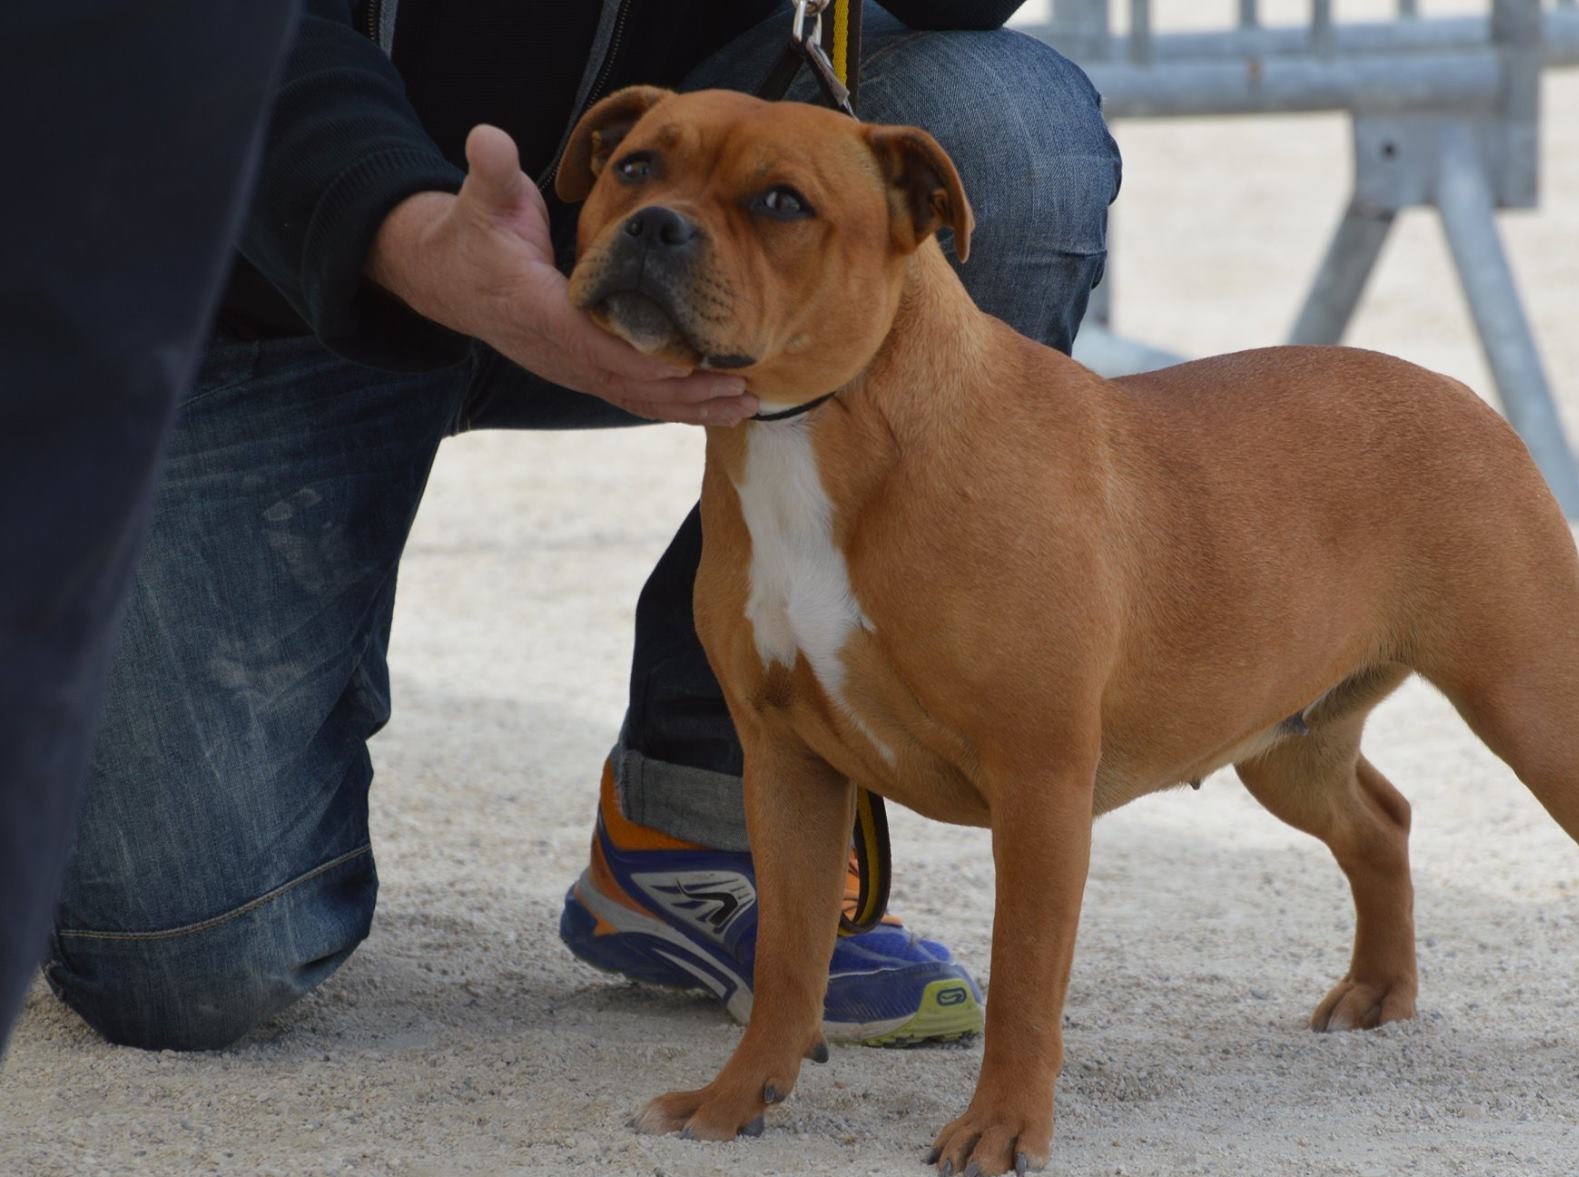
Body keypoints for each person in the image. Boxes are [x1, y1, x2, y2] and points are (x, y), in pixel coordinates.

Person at [41, 0, 1122, 1053]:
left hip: (647, 247)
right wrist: (398, 229)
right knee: (187, 959)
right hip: (250, 264)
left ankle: (700, 810)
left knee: (1010, 130)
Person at [0, 1, 300, 1054]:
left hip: (647, 223)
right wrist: (387, 208)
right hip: (287, 271)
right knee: (182, 951)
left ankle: (694, 781)